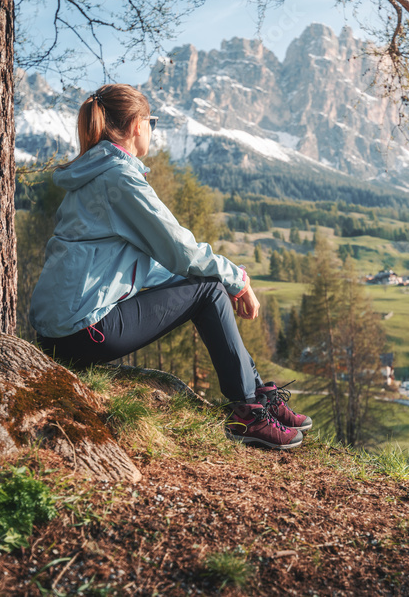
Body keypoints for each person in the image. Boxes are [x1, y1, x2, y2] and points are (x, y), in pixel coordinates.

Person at [28, 83, 311, 450]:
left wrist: (217, 274)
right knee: (209, 289)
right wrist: (234, 278)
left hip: (59, 332)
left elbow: (148, 265)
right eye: (152, 122)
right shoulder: (118, 178)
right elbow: (180, 249)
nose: (152, 130)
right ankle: (247, 411)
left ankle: (256, 394)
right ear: (135, 126)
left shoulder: (92, 176)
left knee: (207, 282)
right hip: (84, 330)